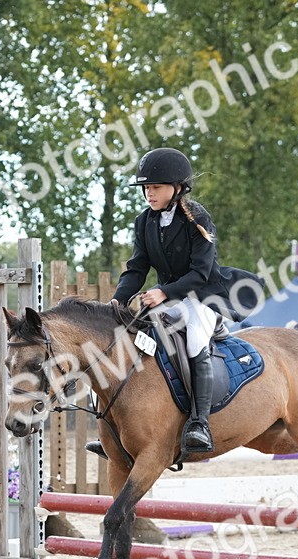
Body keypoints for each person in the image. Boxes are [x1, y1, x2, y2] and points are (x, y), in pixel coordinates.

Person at [98, 147, 247, 456]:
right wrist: (117, 302)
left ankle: (199, 423)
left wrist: (164, 293)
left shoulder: (197, 218)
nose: (149, 193)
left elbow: (201, 272)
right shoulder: (145, 222)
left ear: (177, 188)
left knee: (193, 340)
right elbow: (137, 267)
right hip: (170, 296)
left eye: (156, 187)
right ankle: (125, 427)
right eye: (146, 188)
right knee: (134, 334)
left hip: (204, 296)